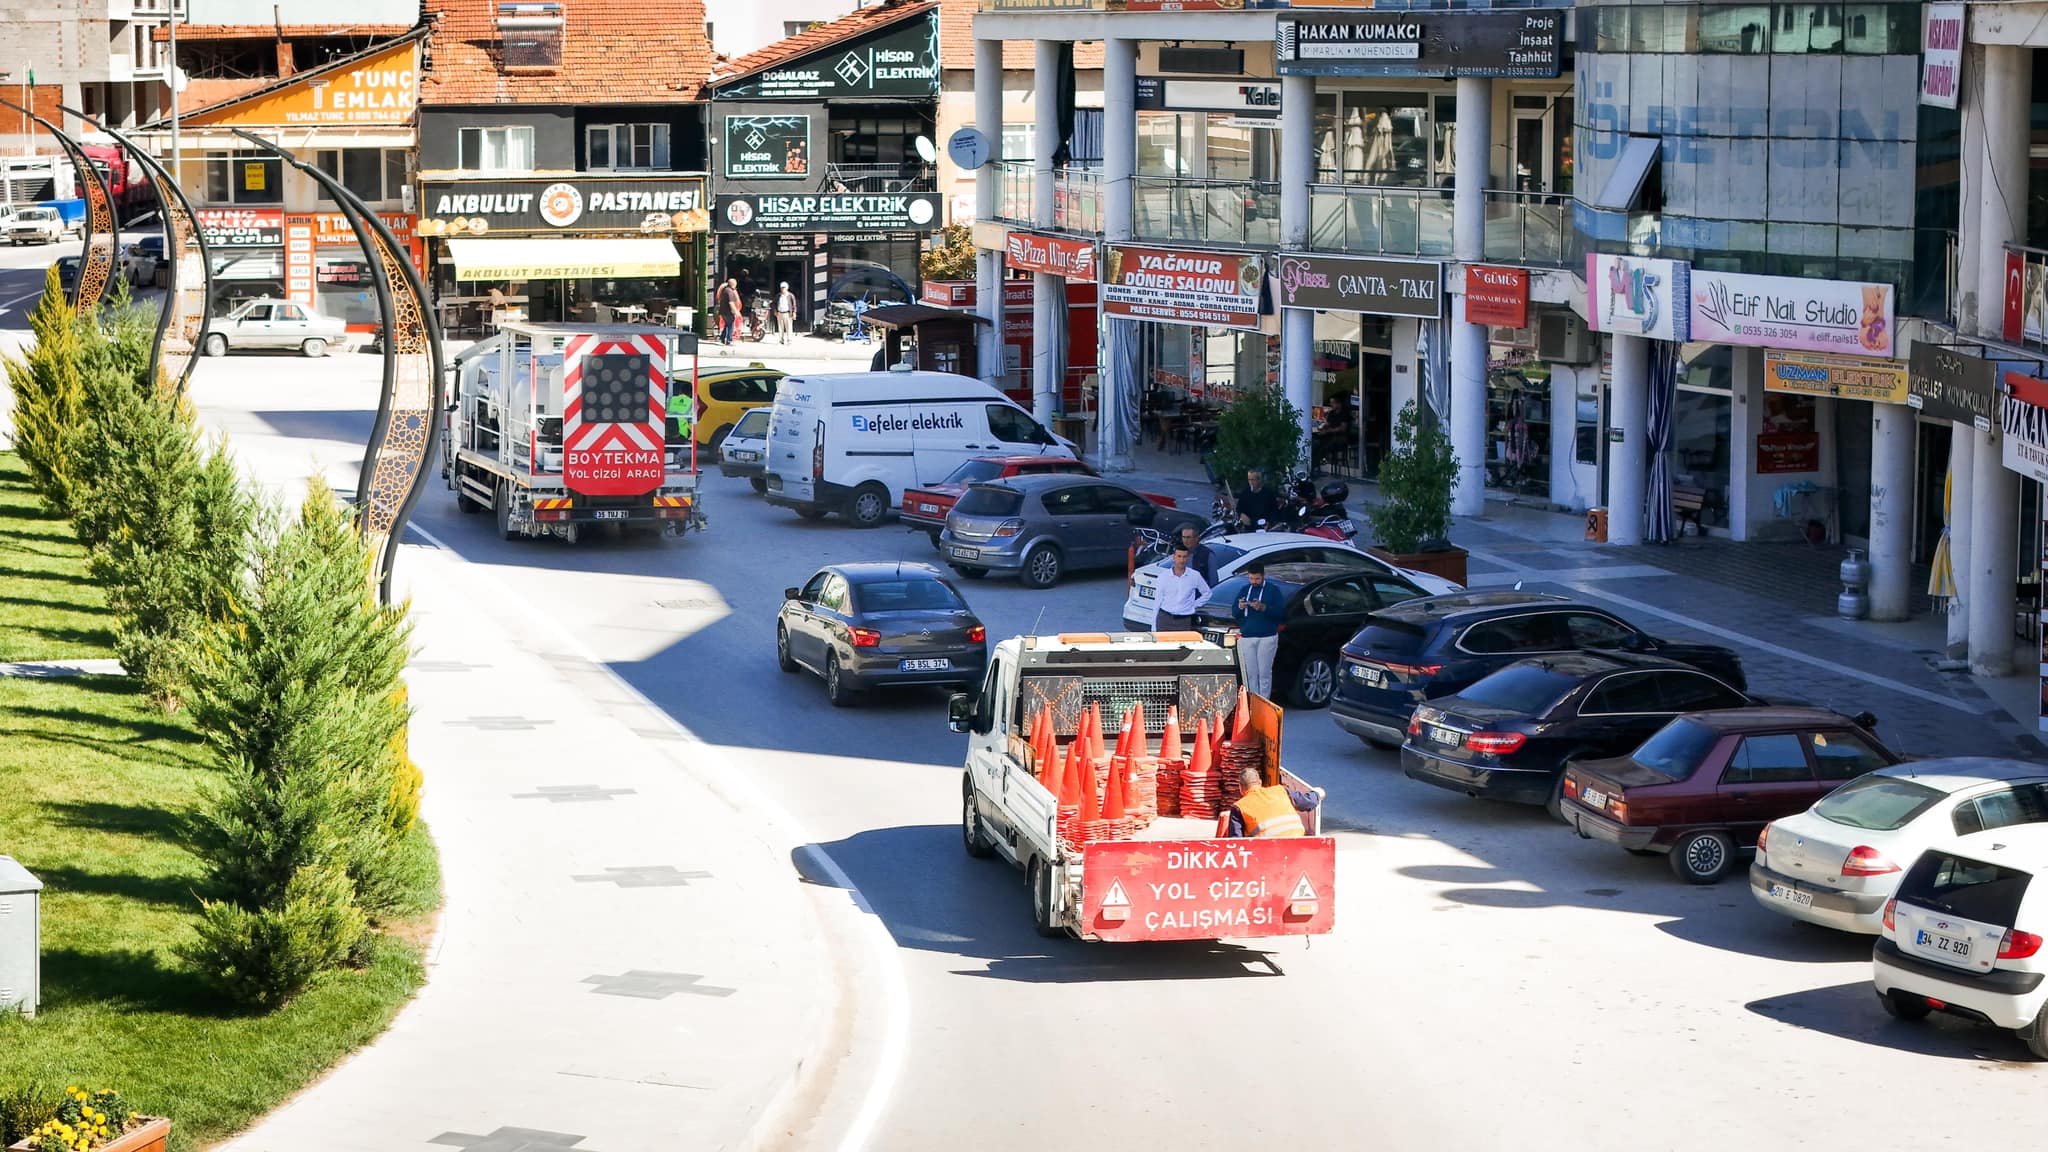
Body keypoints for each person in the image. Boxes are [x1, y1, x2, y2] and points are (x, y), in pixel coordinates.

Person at [1225, 765, 1321, 838]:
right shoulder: (1280, 790)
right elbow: (1308, 802)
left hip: (1267, 850)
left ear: (1240, 788)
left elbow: (1236, 841)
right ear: (1260, 782)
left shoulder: (1239, 807)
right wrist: (1318, 793)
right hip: (1296, 840)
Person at [1232, 561, 1280, 700]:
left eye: (1257, 579)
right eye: (1251, 578)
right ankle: (1253, 701)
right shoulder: (1244, 590)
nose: (1254, 582)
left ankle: (1264, 702)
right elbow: (1235, 612)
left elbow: (1281, 613)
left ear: (1263, 576)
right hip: (1247, 636)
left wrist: (1263, 608)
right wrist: (1240, 607)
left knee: (1264, 673)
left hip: (1267, 636)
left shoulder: (1273, 591)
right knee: (1251, 673)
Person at [1152, 543, 1212, 632]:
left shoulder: (1194, 576)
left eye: (1184, 557)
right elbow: (1157, 601)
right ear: (1174, 557)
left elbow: (1207, 593)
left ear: (1188, 558)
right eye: (1179, 556)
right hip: (1165, 618)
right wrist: (1153, 626)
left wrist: (1193, 605)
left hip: (1184, 620)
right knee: (1163, 645)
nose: (1182, 560)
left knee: (1181, 645)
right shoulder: (1163, 576)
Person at [716, 278, 742, 345]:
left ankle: (722, 338)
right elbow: (731, 303)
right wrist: (736, 312)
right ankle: (729, 340)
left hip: (723, 311)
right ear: (733, 284)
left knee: (727, 325)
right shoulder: (730, 291)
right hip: (728, 312)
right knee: (731, 325)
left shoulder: (725, 290)